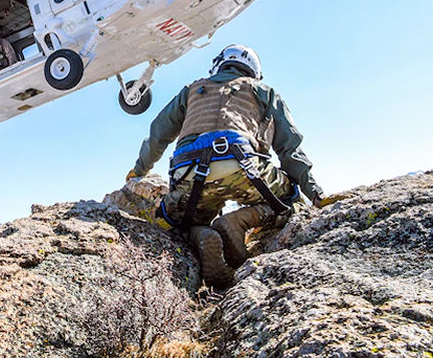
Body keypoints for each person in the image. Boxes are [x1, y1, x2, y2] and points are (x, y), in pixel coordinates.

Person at [126, 45, 327, 288]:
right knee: (289, 200)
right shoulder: (263, 90)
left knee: (178, 221)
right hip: (244, 167)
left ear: (218, 64)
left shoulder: (191, 90)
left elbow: (158, 134)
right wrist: (315, 194)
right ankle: (237, 222)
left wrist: (139, 171)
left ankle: (201, 233)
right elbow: (289, 148)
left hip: (189, 171)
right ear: (254, 71)